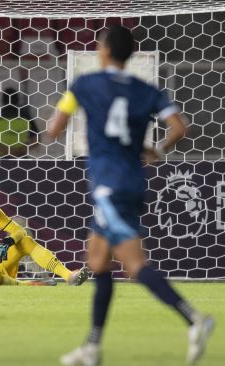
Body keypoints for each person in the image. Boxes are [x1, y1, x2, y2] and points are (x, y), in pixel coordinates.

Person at [48, 25, 214, 366]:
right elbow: (180, 128)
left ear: (104, 50)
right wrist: (158, 149)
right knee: (97, 261)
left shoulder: (83, 84)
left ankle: (194, 319)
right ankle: (91, 347)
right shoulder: (146, 89)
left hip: (108, 186)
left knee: (135, 264)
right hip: (133, 182)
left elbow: (54, 129)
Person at [0, 88, 38, 158]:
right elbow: (36, 139)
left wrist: (7, 151)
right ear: (17, 100)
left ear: (3, 100)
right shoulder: (26, 117)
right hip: (20, 157)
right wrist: (21, 150)